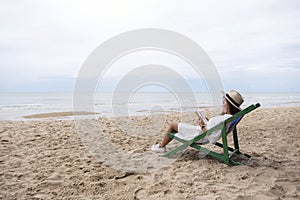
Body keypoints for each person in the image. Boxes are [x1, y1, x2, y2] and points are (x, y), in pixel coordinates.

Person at [151, 90, 244, 153]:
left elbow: (213, 138)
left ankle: (161, 147)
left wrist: (202, 126)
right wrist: (207, 122)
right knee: (176, 126)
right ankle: (162, 145)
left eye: (224, 102)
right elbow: (215, 129)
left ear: (228, 105)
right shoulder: (228, 118)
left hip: (199, 135)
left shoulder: (224, 118)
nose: (222, 104)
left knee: (173, 125)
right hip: (200, 133)